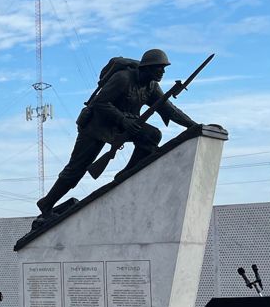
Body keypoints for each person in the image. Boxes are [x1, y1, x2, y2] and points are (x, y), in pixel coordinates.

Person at [37, 49, 199, 217]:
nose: (163, 72)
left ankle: (126, 175)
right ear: (148, 67)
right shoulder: (123, 78)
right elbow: (100, 103)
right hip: (96, 126)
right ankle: (47, 204)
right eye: (159, 68)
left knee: (152, 135)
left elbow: (169, 109)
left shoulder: (151, 86)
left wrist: (194, 126)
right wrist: (124, 120)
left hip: (123, 126)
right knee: (76, 169)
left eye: (164, 68)